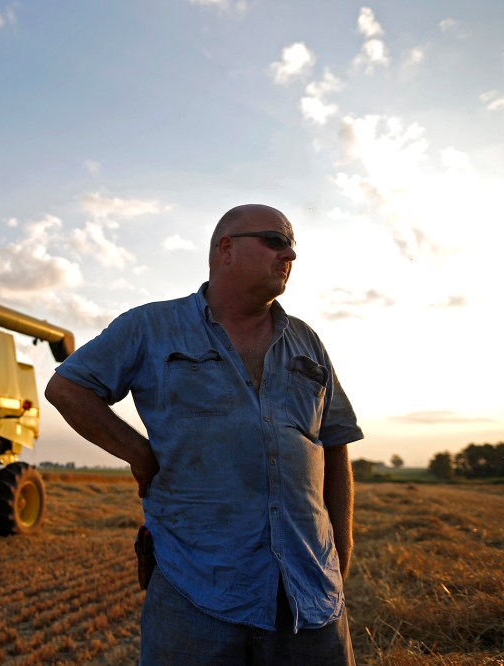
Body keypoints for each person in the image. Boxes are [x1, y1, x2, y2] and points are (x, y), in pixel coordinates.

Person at [45, 204, 363, 665]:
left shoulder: (306, 341)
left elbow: (334, 444)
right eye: (275, 241)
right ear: (226, 248)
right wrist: (139, 454)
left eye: (292, 245)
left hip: (309, 599)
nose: (289, 254)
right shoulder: (151, 326)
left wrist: (342, 552)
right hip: (195, 593)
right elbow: (68, 388)